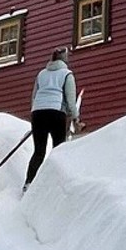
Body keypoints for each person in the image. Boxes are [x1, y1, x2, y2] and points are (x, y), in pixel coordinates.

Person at [24, 47, 79, 187]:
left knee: (39, 151)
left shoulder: (41, 74)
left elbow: (34, 96)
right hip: (56, 113)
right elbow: (71, 99)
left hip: (38, 113)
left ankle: (28, 183)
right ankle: (56, 185)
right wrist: (75, 116)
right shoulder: (67, 74)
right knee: (58, 150)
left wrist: (35, 112)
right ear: (64, 59)